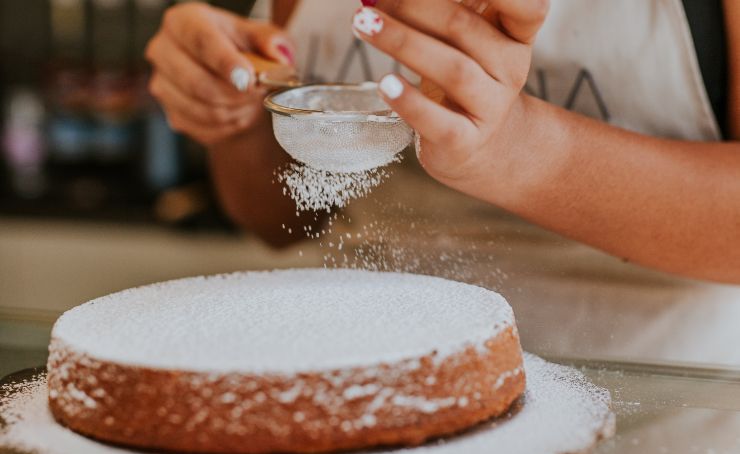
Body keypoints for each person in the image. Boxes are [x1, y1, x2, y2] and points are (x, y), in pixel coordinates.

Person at [145, 0, 739, 283]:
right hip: (361, 365)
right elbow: (276, 220)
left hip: (660, 393)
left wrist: (519, 152)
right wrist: (236, 110)